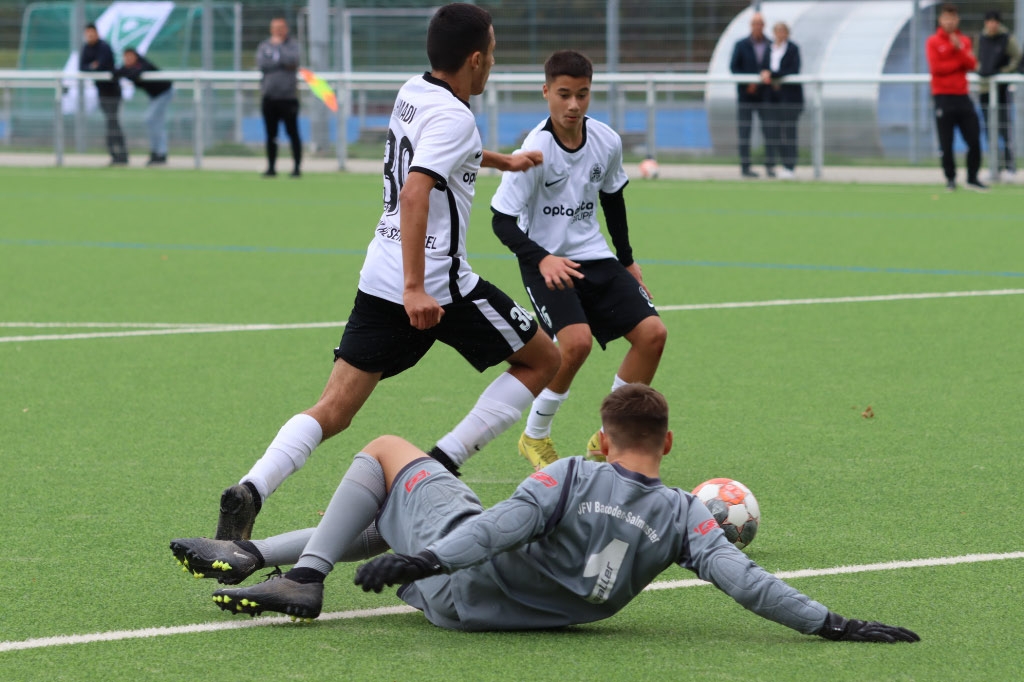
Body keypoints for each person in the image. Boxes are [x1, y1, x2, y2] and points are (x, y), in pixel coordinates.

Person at [200, 3, 559, 549]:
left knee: (333, 409)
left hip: (379, 275)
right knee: (543, 360)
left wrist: (499, 161)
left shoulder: (413, 91)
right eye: (492, 55)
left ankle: (252, 487)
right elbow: (417, 190)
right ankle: (442, 461)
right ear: (476, 59)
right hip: (439, 286)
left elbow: (437, 152)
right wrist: (418, 287)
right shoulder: (457, 115)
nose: (492, 65)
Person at [171, 384, 920, 644]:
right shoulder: (690, 521)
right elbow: (749, 585)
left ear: (604, 438)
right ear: (668, 444)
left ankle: (302, 574)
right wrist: (832, 623)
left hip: (446, 585)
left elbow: (497, 530)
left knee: (387, 451)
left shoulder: (569, 474)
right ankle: (255, 554)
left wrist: (426, 560)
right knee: (409, 509)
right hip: (497, 613)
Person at [489, 50, 667, 471]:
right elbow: (502, 221)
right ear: (547, 92)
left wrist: (626, 261)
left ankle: (609, 437)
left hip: (596, 257)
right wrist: (544, 258)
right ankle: (534, 436)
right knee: (576, 345)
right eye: (564, 94)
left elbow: (613, 199)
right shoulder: (534, 150)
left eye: (582, 95)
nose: (573, 105)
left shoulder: (606, 140)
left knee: (653, 335)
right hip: (544, 261)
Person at [925, 3, 986, 192]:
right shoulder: (933, 42)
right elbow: (937, 69)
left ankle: (973, 178)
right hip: (942, 97)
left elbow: (972, 64)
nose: (950, 22)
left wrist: (958, 49)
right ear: (940, 20)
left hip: (963, 96)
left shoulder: (964, 41)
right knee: (946, 142)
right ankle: (950, 179)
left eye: (953, 18)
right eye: (946, 18)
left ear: (957, 19)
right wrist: (956, 58)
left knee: (974, 139)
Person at [977, 10, 1021, 180]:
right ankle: (995, 167)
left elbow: (1017, 58)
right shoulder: (981, 38)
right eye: (989, 21)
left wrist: (1004, 72)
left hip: (1001, 89)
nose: (992, 24)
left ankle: (1010, 167)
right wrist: (980, 69)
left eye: (995, 21)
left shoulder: (1007, 38)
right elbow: (976, 58)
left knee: (1004, 129)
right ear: (985, 23)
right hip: (985, 89)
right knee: (989, 130)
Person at [257, 17, 303, 177]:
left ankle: (297, 168)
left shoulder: (293, 46)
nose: (278, 30)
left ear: (286, 29)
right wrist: (280, 62)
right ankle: (271, 168)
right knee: (271, 135)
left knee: (293, 133)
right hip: (269, 97)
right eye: (275, 27)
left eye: (281, 27)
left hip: (288, 98)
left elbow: (293, 61)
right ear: (271, 29)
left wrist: (278, 52)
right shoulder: (264, 46)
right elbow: (263, 64)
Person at [114, 47, 173, 167]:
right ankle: (158, 153)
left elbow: (135, 74)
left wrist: (125, 73)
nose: (128, 59)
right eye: (126, 57)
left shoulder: (143, 64)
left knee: (151, 120)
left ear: (136, 56)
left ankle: (159, 153)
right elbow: (116, 73)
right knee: (155, 123)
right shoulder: (128, 68)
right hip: (154, 96)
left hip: (164, 92)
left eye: (131, 56)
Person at [730, 12, 772, 178]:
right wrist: (748, 83)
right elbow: (734, 67)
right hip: (746, 96)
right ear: (751, 25)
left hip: (765, 96)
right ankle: (745, 167)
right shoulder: (741, 45)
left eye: (760, 23)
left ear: (764, 25)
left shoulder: (770, 44)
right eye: (755, 23)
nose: (758, 26)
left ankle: (770, 166)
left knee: (769, 131)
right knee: (744, 132)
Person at [79, 23, 128, 166]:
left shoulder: (104, 47)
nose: (89, 36)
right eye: (87, 33)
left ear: (97, 33)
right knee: (111, 123)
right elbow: (83, 67)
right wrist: (92, 66)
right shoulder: (86, 48)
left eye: (92, 33)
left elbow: (101, 66)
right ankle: (117, 155)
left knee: (113, 123)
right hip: (101, 91)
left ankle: (120, 154)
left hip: (112, 91)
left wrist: (93, 67)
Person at [762, 22, 803, 180]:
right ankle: (779, 164)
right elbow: (764, 67)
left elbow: (793, 69)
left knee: (789, 132)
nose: (780, 34)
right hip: (772, 97)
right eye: (777, 31)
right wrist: (766, 74)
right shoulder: (769, 48)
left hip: (789, 98)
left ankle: (790, 165)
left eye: (783, 31)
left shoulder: (793, 49)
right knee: (774, 132)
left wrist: (772, 75)